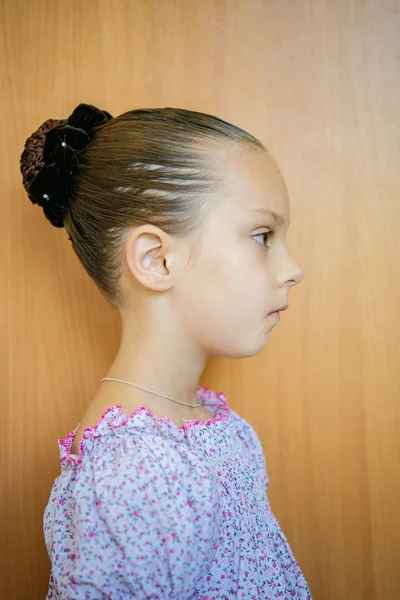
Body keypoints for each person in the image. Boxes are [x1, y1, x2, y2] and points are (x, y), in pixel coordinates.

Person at [20, 103, 311, 599]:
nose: (293, 269)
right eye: (263, 236)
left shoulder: (199, 428)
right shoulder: (138, 472)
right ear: (156, 260)